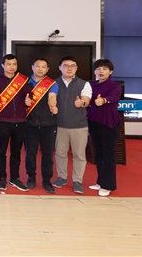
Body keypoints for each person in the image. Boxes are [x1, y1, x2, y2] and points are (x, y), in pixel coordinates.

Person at [0, 54, 32, 192]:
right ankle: (2, 178)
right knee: (1, 151)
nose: (12, 67)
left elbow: (29, 94)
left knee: (16, 152)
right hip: (3, 121)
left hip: (20, 121)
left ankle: (15, 178)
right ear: (3, 65)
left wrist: (29, 99)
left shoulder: (23, 80)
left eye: (14, 64)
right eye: (8, 64)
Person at [53, 56, 92, 194]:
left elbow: (86, 99)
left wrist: (82, 103)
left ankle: (77, 181)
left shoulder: (84, 84)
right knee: (60, 153)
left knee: (79, 155)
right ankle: (61, 177)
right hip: (59, 125)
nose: (69, 68)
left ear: (76, 68)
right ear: (60, 68)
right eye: (66, 65)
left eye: (72, 66)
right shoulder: (53, 83)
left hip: (79, 126)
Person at [87, 59, 122, 197]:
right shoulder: (91, 85)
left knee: (108, 155)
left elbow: (114, 97)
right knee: (99, 153)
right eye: (98, 69)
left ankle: (107, 185)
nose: (101, 71)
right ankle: (101, 181)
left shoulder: (115, 86)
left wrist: (104, 100)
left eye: (104, 69)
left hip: (108, 123)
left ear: (110, 71)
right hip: (94, 122)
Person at [23, 58, 58, 194]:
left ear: (47, 69)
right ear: (32, 67)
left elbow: (52, 96)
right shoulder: (25, 82)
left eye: (43, 67)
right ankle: (31, 177)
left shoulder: (52, 84)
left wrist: (52, 105)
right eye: (38, 66)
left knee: (47, 154)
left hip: (48, 124)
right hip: (30, 124)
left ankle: (46, 180)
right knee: (30, 153)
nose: (40, 69)